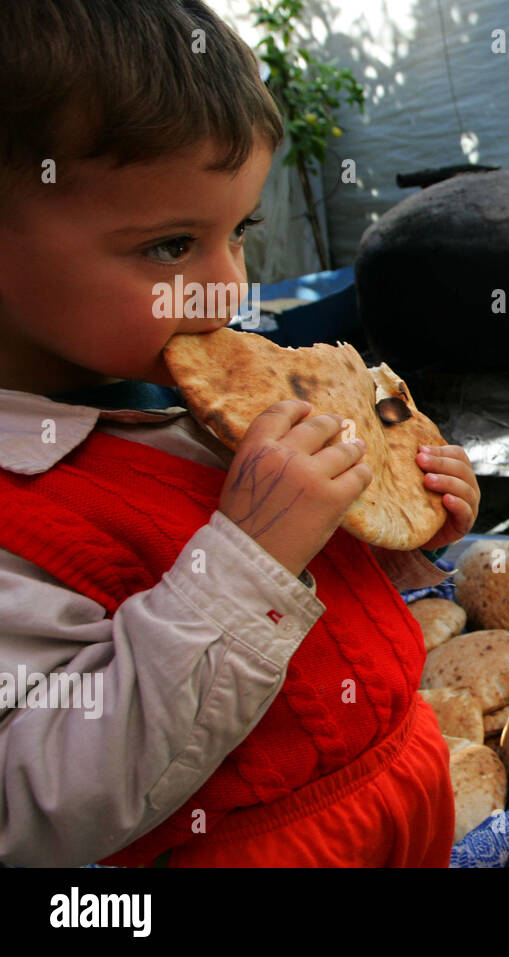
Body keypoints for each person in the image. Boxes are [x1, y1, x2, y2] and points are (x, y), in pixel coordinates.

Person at [0, 0, 480, 866]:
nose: (226, 290)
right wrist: (245, 560)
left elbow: (308, 603)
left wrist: (392, 517)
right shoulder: (17, 520)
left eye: (239, 231)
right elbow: (37, 803)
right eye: (171, 245)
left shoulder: (193, 411)